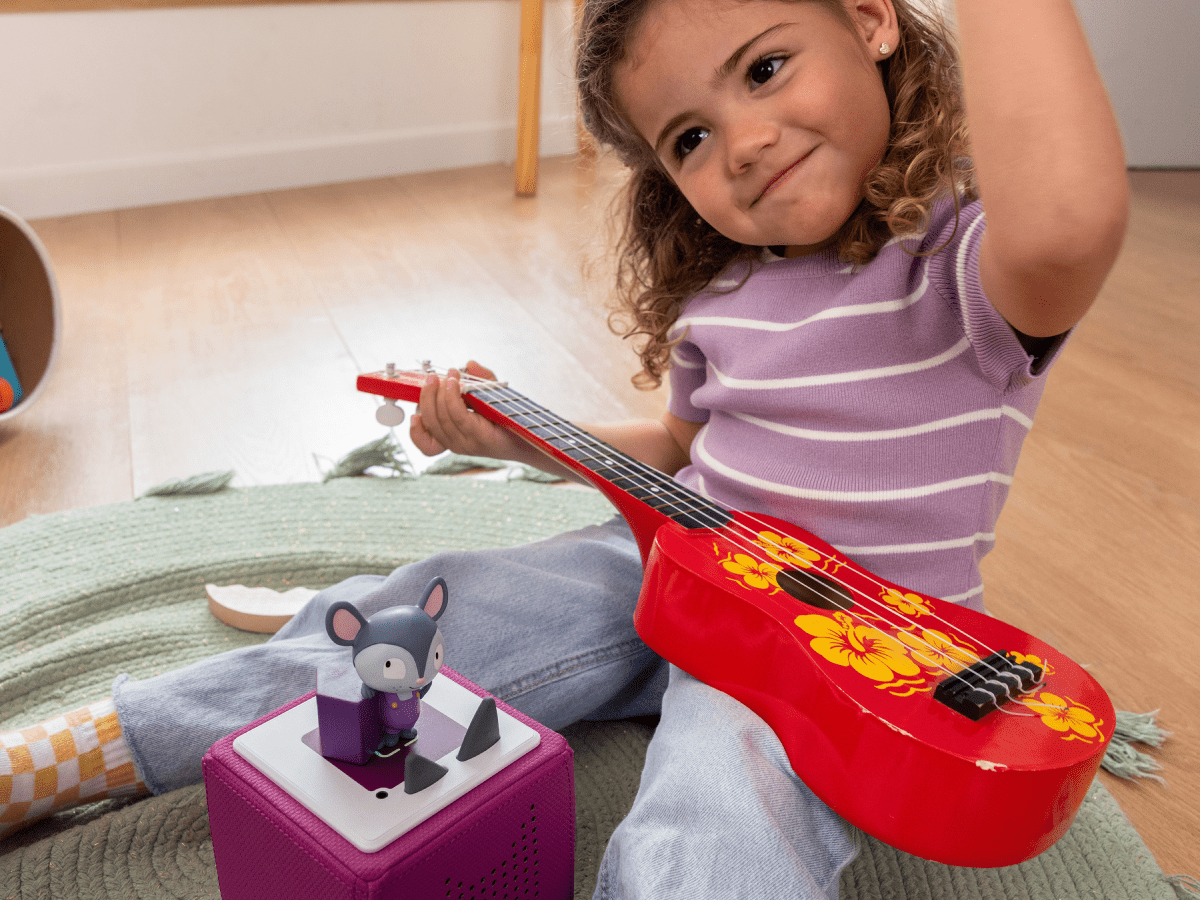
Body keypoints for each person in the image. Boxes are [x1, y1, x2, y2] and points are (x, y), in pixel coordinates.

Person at [2, 0, 1127, 895]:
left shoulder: (964, 274)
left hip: (841, 660)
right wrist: (519, 437)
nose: (743, 143)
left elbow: (1066, 224)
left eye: (767, 67)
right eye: (689, 138)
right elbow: (681, 447)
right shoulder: (729, 293)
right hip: (672, 563)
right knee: (423, 612)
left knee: (717, 815)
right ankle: (90, 750)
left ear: (872, 18)